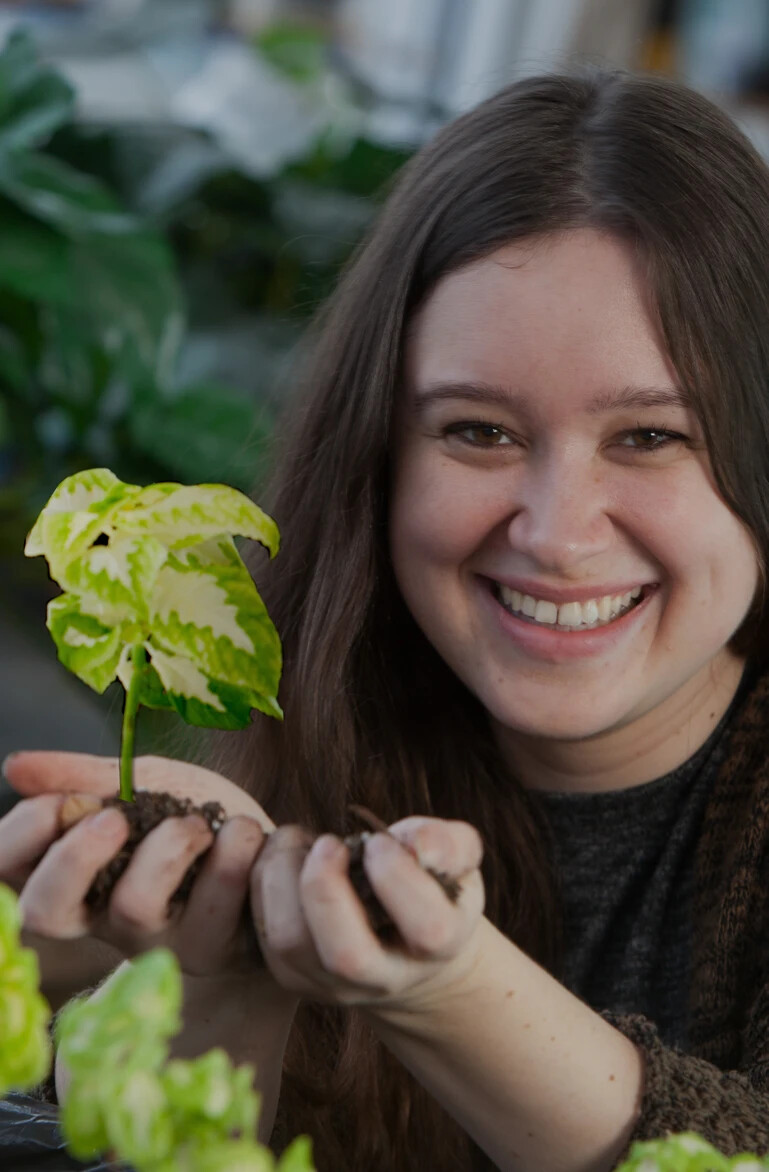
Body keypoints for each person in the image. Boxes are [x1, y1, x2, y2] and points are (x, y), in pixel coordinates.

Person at [3, 63, 769, 1172]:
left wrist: (449, 984)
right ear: (376, 460)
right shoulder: (307, 743)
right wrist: (216, 970)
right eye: (477, 432)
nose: (557, 532)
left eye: (649, 437)